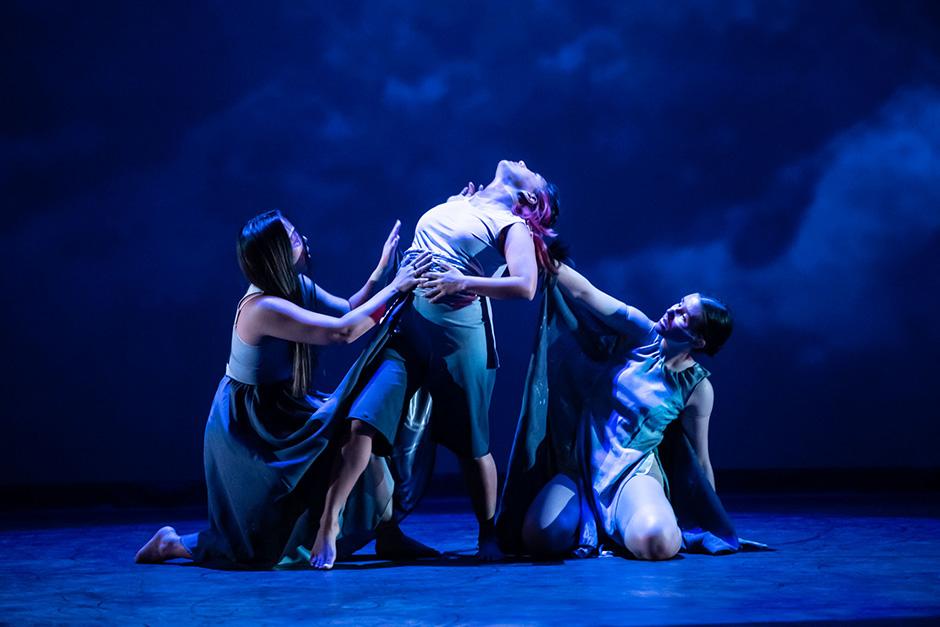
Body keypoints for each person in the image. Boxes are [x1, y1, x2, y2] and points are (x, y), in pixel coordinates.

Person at [135, 210, 431, 566]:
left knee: (358, 429)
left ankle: (386, 533)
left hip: (286, 406)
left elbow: (347, 310)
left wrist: (380, 273)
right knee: (256, 546)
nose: (302, 240)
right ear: (275, 254)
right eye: (291, 239)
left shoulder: (295, 286)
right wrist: (395, 286)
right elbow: (342, 332)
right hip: (252, 424)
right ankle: (172, 543)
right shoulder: (262, 307)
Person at [309, 160, 561, 569]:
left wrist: (462, 282)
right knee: (363, 421)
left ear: (529, 196)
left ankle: (487, 532)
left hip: (458, 337)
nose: (522, 162)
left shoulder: (509, 225)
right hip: (409, 325)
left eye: (531, 169)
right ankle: (332, 524)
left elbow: (525, 285)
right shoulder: (463, 202)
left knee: (472, 446)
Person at [497, 262, 749, 560]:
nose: (672, 310)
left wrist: (710, 515)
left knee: (658, 544)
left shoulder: (696, 388)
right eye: (680, 303)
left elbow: (700, 457)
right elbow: (585, 293)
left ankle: (635, 520)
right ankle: (603, 528)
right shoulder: (642, 333)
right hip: (582, 468)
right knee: (540, 537)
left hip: (633, 473)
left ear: (698, 340)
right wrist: (546, 259)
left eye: (684, 315)